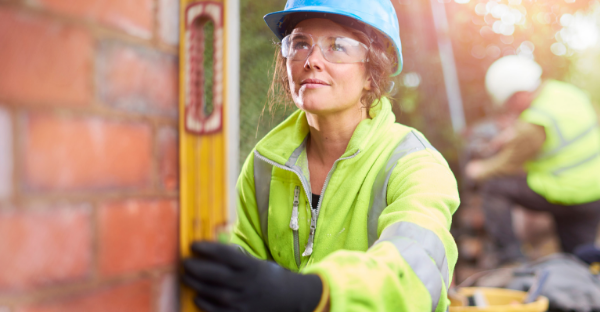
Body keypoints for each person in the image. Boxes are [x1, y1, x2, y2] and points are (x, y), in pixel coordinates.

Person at [182, 1, 460, 311]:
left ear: (373, 72)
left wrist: (314, 293)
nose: (311, 60)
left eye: (337, 46)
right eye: (300, 43)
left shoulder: (414, 163)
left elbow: (415, 268)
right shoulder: (264, 164)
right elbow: (239, 261)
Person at [465, 55, 600, 266]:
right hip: (592, 192)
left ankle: (510, 257)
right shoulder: (563, 92)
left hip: (565, 193)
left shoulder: (533, 124)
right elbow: (554, 132)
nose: (511, 109)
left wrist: (477, 170)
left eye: (509, 103)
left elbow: (507, 165)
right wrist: (513, 133)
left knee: (493, 187)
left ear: (518, 95)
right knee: (579, 261)